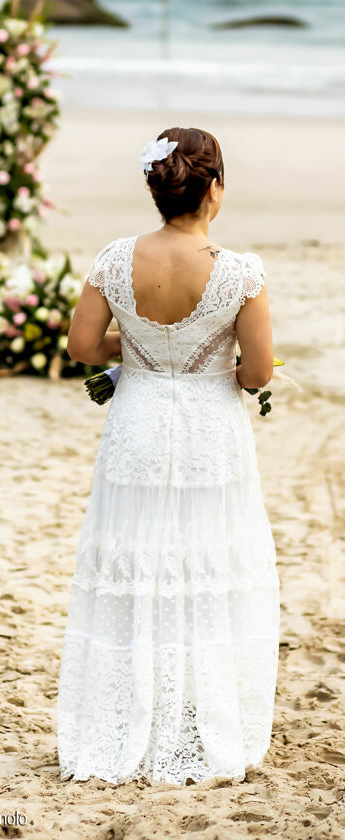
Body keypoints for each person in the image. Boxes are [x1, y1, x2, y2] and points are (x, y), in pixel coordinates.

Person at [58, 127, 279, 785]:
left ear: (157, 188)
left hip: (138, 425)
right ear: (213, 189)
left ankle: (130, 714)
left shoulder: (115, 259)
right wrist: (217, 364)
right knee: (205, 562)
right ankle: (198, 716)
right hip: (211, 433)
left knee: (137, 561)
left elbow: (81, 347)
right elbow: (257, 372)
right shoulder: (238, 272)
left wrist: (136, 351)